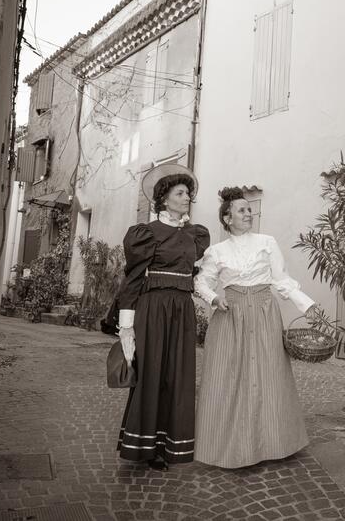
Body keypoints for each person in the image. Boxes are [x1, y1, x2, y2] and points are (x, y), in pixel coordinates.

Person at [193, 187, 317, 468]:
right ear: (227, 218)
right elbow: (201, 282)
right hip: (231, 316)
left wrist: (306, 305)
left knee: (269, 375)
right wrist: (214, 298)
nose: (249, 214)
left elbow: (280, 278)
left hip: (264, 313)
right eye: (241, 210)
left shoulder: (267, 242)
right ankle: (227, 445)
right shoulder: (216, 251)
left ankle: (272, 443)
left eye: (250, 210)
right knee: (227, 376)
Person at [115, 164, 210, 470]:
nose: (187, 198)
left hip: (182, 309)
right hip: (154, 309)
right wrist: (126, 327)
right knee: (152, 375)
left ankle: (172, 445)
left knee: (178, 376)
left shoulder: (194, 235)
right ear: (164, 198)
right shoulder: (145, 234)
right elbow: (132, 279)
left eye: (188, 194)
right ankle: (145, 447)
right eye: (180, 193)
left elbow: (198, 274)